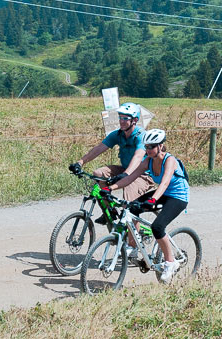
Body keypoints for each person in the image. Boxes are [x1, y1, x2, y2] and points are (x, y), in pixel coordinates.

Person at [109, 128, 189, 283]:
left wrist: (153, 199)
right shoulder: (148, 161)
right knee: (132, 208)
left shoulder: (169, 160)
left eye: (151, 147)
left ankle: (170, 262)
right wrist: (111, 188)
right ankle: (132, 246)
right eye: (146, 147)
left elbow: (165, 182)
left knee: (158, 227)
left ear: (160, 146)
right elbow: (130, 177)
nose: (148, 150)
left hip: (178, 197)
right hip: (163, 194)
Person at [70, 102, 155, 221]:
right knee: (98, 174)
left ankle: (132, 237)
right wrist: (80, 162)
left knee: (128, 203)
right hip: (125, 170)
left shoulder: (141, 136)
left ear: (135, 120)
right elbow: (99, 148)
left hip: (143, 175)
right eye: (120, 117)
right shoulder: (117, 134)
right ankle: (110, 211)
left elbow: (138, 156)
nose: (121, 121)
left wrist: (126, 175)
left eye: (125, 118)